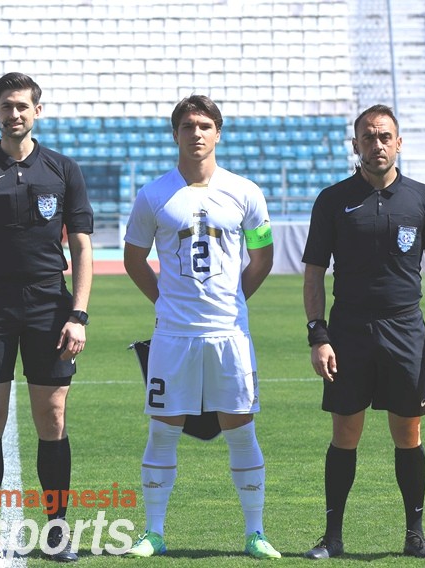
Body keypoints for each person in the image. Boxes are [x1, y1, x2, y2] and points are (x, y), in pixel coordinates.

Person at [121, 95, 280, 560]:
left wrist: (234, 302)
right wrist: (164, 301)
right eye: (188, 126)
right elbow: (133, 259)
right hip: (174, 336)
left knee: (241, 430)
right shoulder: (153, 194)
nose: (196, 133)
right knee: (163, 431)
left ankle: (255, 533)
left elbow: (262, 257)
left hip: (229, 335)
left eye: (205, 125)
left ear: (218, 133)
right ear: (175, 134)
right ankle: (153, 533)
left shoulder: (246, 192)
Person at [0, 72, 93, 562]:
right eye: (6, 106)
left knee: (53, 416)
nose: (14, 114)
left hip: (50, 305)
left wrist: (78, 314)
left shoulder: (63, 170)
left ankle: (56, 529)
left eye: (22, 106)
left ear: (37, 111)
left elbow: (82, 248)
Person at [301, 104, 425, 560]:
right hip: (348, 330)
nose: (377, 144)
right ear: (356, 145)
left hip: (406, 329)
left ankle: (415, 535)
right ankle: (332, 538)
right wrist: (318, 335)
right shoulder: (333, 199)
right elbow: (314, 272)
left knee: (408, 433)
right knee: (345, 432)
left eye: (385, 136)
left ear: (399, 143)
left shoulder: (424, 199)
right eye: (368, 137)